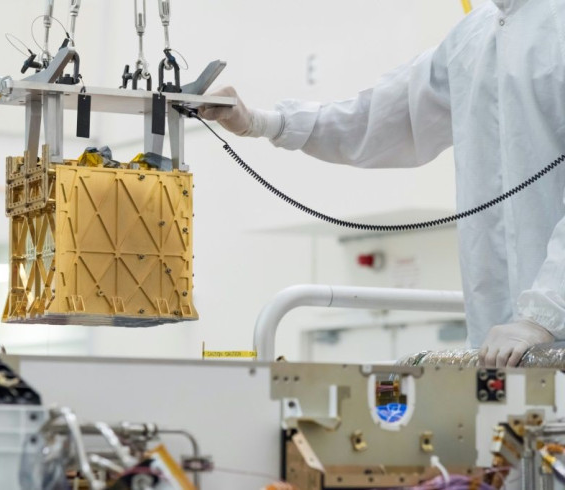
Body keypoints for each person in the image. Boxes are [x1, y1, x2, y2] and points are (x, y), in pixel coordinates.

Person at [201, 0, 565, 368]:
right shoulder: (473, 38)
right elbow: (380, 118)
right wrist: (262, 122)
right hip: (499, 351)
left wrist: (543, 317)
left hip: (550, 342)